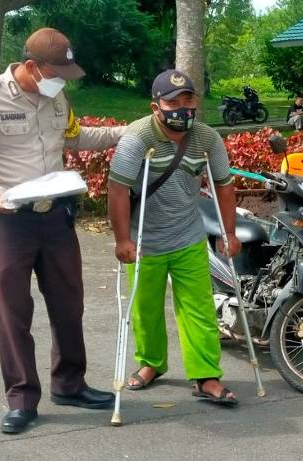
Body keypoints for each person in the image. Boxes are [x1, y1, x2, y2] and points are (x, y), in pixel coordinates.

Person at [0, 27, 128, 434]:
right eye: (56, 73)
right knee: (12, 311)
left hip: (55, 218)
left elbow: (76, 138)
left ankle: (70, 384)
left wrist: (127, 131)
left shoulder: (56, 97)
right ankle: (22, 399)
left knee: (69, 304)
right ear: (31, 66)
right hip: (7, 220)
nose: (62, 81)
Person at [107, 69, 241, 406]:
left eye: (188, 99)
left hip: (188, 237)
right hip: (145, 241)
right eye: (173, 102)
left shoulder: (207, 139)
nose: (183, 108)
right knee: (145, 309)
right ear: (156, 107)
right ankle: (151, 363)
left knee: (199, 310)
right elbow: (118, 189)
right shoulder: (137, 138)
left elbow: (224, 185)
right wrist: (122, 240)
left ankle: (206, 376)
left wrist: (229, 232)